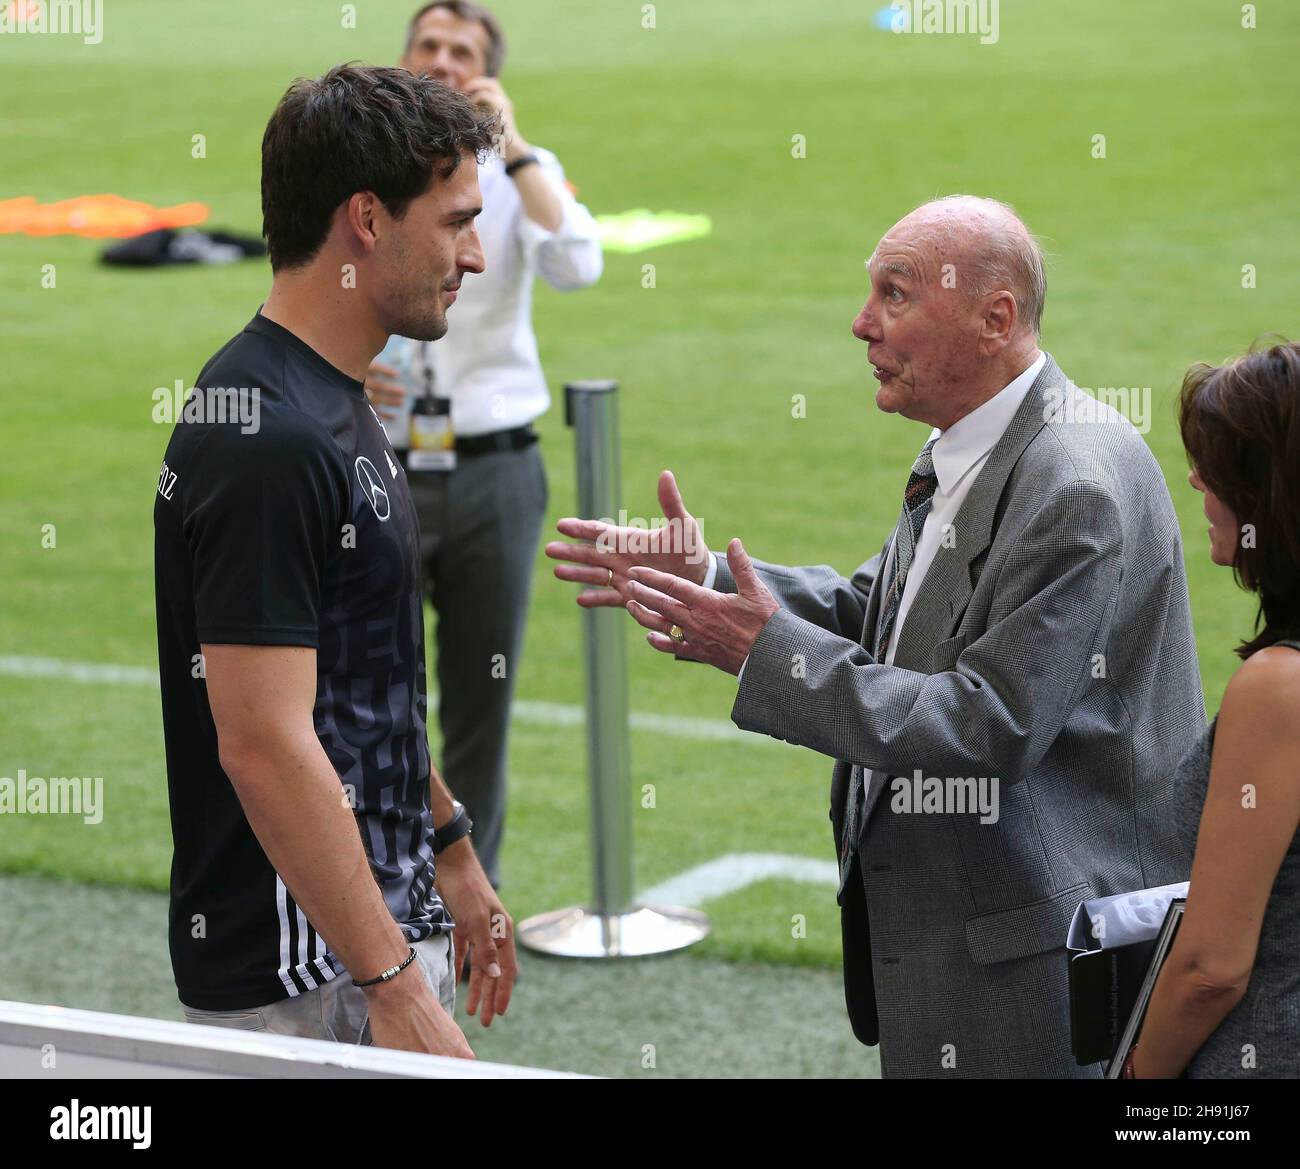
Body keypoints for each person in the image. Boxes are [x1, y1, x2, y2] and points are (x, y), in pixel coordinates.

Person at [547, 196, 1206, 1077]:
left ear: (994, 318)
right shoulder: (980, 442)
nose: (862, 325)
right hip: (980, 947)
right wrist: (704, 575)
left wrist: (760, 649)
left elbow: (988, 724)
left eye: (895, 296)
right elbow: (883, 611)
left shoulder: (1071, 484)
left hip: (1036, 968)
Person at [153, 64, 515, 1056]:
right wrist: (392, 982)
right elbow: (264, 738)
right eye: (454, 222)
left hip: (359, 942)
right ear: (366, 219)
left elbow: (356, 678)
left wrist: (450, 845)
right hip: (309, 972)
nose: (475, 255)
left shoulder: (329, 395)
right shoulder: (269, 436)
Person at [364, 0, 603, 891]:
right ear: (403, 57)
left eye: (463, 51)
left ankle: (472, 903)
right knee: (362, 693)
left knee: (479, 708)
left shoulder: (513, 174)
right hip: (374, 461)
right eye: (428, 44)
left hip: (495, 463)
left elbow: (579, 263)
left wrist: (517, 146)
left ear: (489, 73)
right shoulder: (359, 164)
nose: (443, 60)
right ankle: (368, 900)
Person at [1126, 342, 1300, 1079]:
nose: (1194, 477)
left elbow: (1211, 967)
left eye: (1217, 464)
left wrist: (1135, 1081)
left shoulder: (1278, 689)